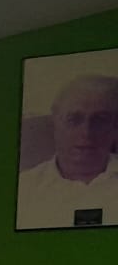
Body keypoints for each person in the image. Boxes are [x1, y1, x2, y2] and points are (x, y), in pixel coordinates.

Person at [17, 75, 118, 229]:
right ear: (55, 120)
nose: (86, 133)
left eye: (100, 120)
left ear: (115, 126)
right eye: (73, 119)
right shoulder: (24, 188)